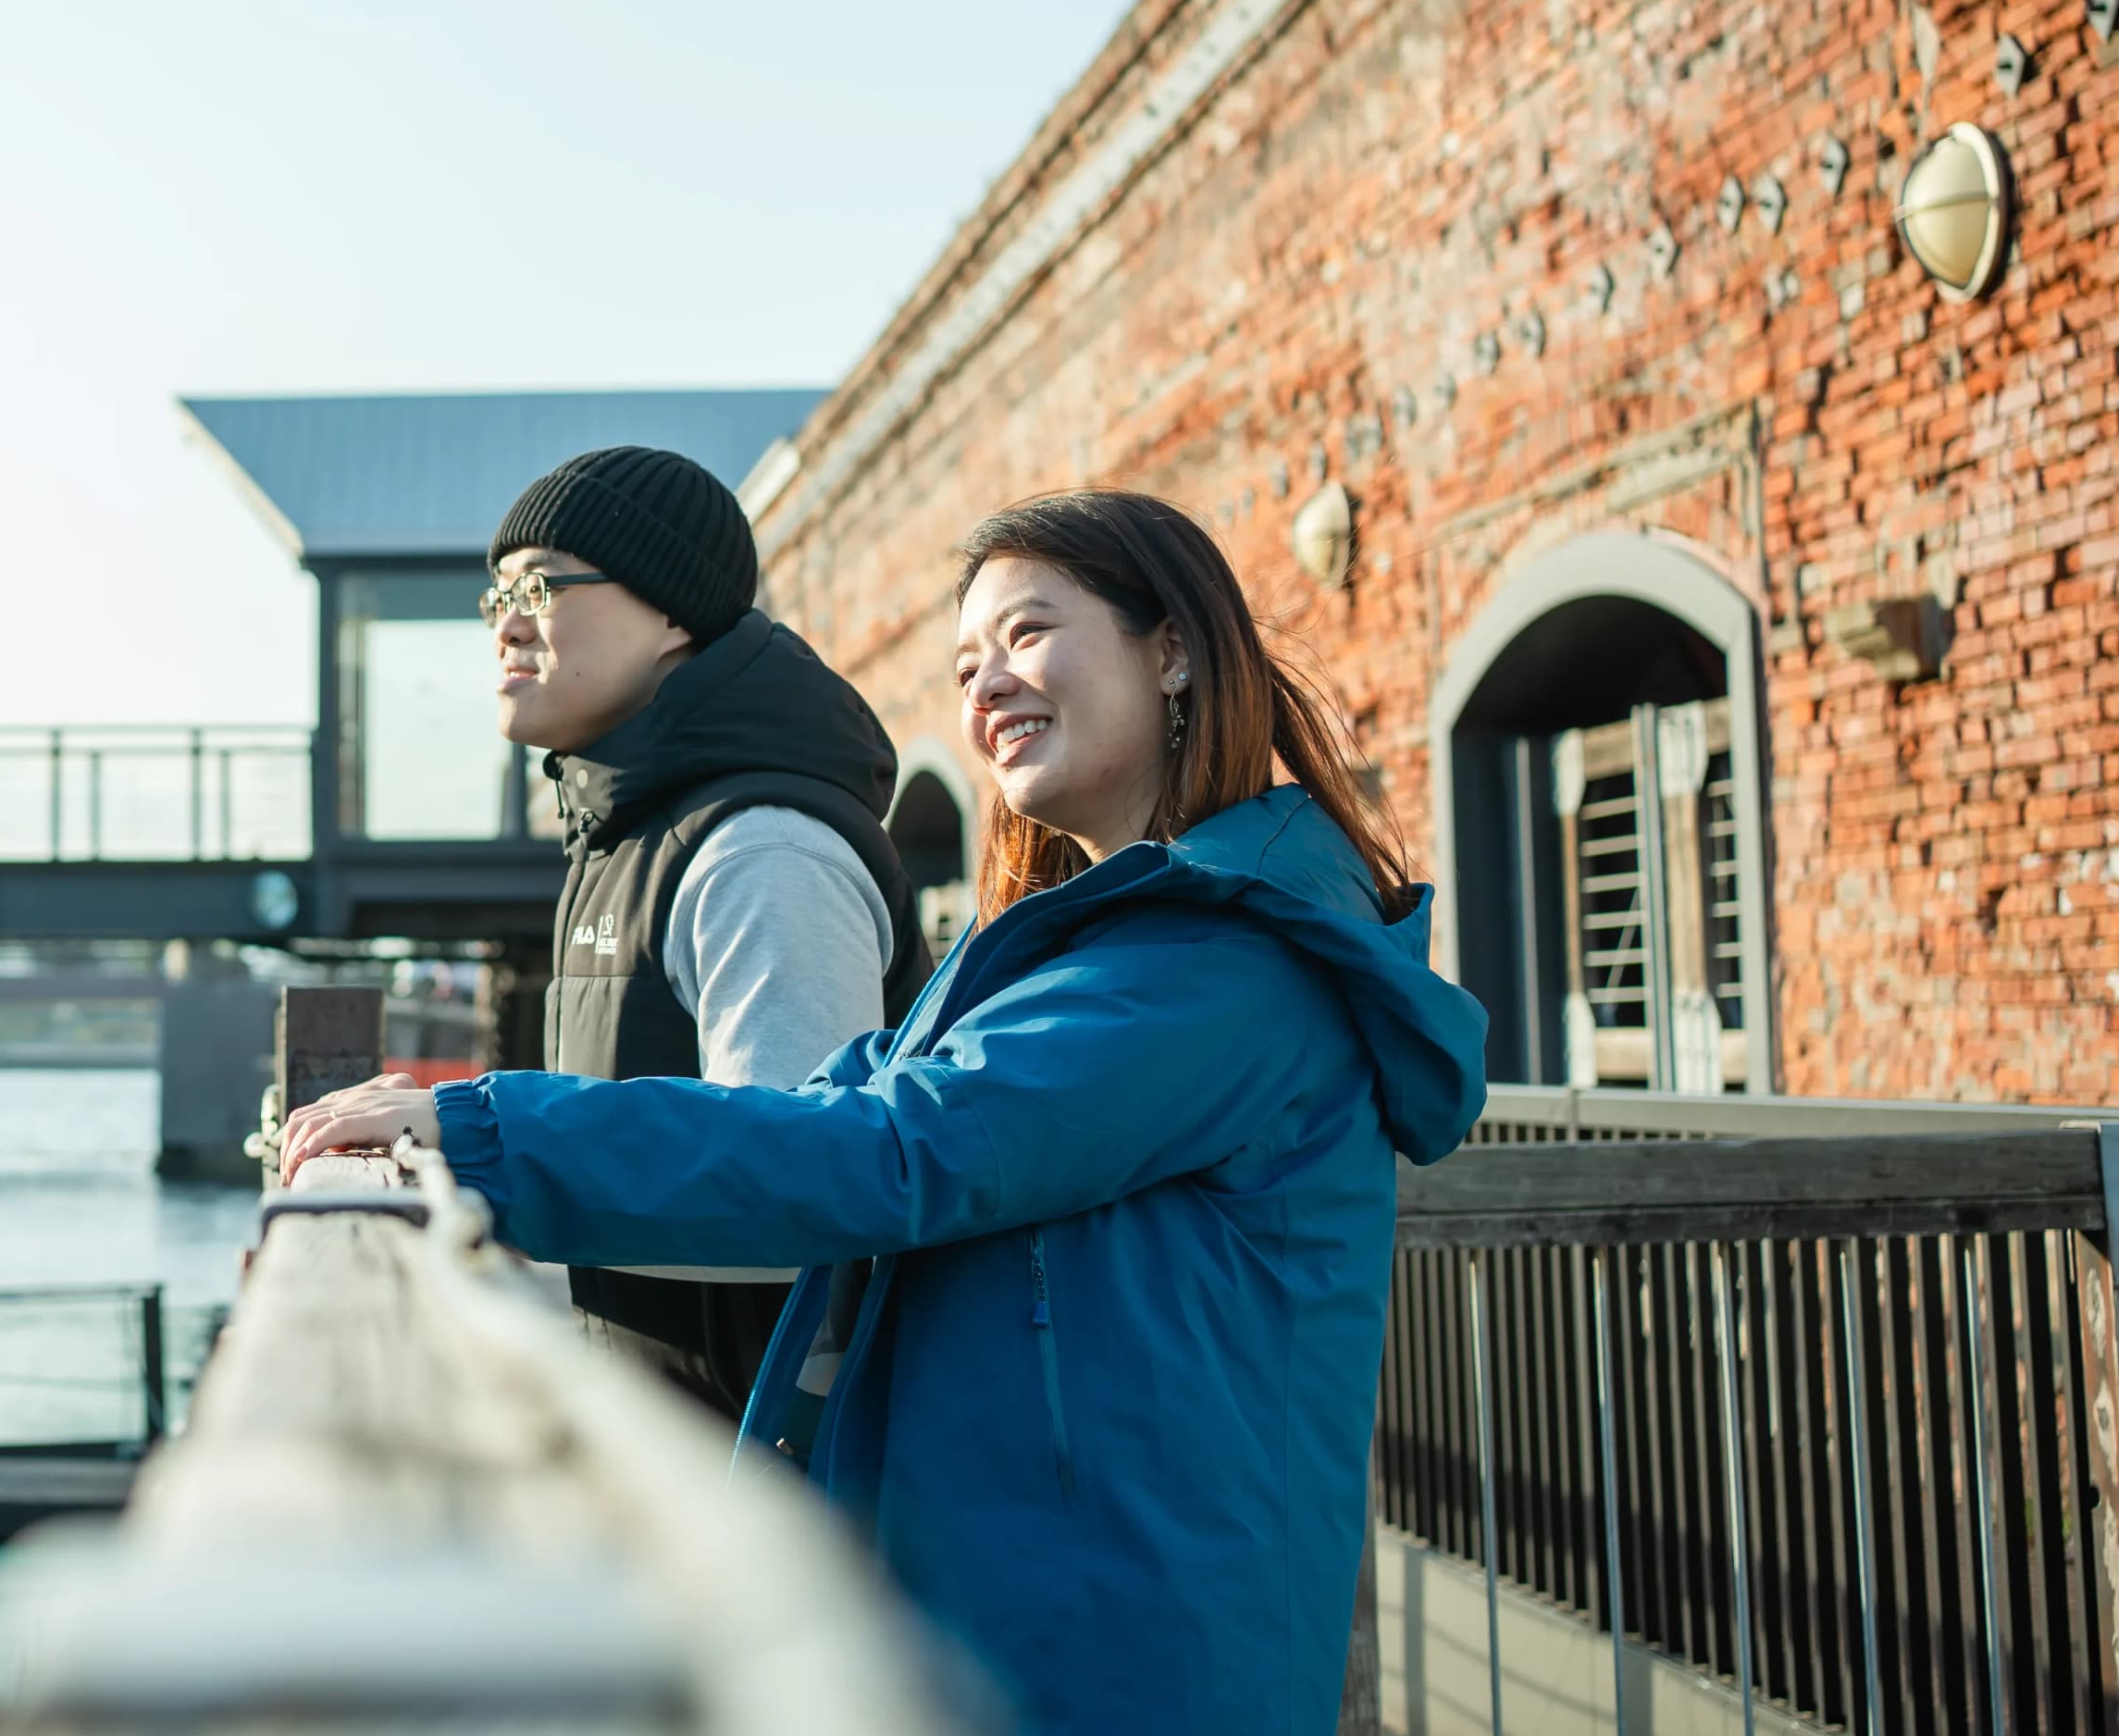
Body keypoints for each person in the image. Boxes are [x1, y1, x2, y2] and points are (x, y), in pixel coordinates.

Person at [286, 490, 1489, 1735]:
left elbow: (887, 1151)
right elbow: (845, 1096)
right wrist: (467, 1121)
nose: (987, 687)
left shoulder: (1213, 973)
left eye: (1029, 634)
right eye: (967, 662)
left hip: (1128, 1647)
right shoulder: (1087, 953)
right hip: (1032, 1618)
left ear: (1174, 649)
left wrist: (482, 1130)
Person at [476, 443, 935, 1416]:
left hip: (771, 1483)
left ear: (673, 612)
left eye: (542, 588)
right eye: (495, 597)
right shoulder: (623, 836)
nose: (507, 623)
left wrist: (482, 1145)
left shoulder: (759, 849)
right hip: (678, 1447)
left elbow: (794, 1202)